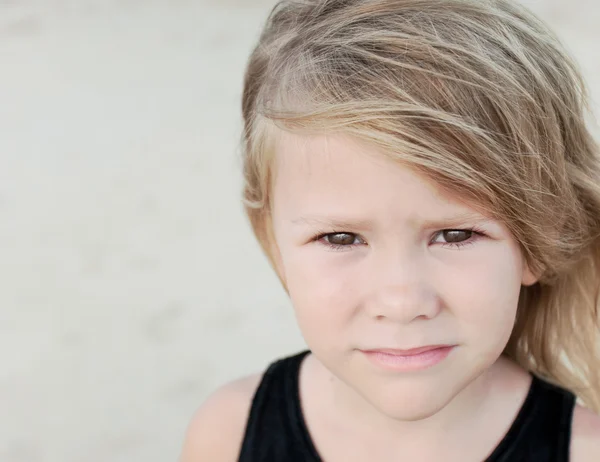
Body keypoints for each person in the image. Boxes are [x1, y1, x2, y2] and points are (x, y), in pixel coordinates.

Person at [181, 0, 600, 460]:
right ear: (272, 242)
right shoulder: (229, 432)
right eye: (340, 238)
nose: (402, 303)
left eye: (456, 234)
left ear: (539, 238)